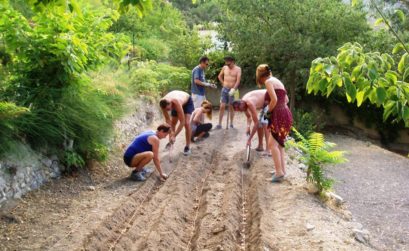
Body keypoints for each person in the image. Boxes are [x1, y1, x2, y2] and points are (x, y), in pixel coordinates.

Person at [256, 64, 293, 183]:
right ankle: (281, 170)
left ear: (261, 76)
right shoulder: (277, 81)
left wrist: (268, 112)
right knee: (279, 144)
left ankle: (279, 173)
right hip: (286, 112)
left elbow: (274, 100)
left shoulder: (268, 82)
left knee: (272, 144)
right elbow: (286, 100)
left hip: (279, 114)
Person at [232, 90, 270, 155]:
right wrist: (248, 127)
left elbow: (256, 124)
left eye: (240, 109)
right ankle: (260, 146)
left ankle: (268, 149)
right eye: (239, 111)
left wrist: (249, 139)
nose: (241, 111)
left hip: (270, 100)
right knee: (260, 124)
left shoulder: (249, 103)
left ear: (241, 103)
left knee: (265, 123)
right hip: (264, 105)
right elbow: (249, 117)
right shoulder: (243, 105)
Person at [159, 90, 194, 155]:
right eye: (167, 110)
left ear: (171, 104)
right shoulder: (162, 104)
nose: (168, 111)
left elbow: (182, 122)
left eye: (169, 109)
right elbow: (168, 120)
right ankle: (171, 143)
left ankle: (187, 147)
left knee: (186, 123)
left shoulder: (176, 102)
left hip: (187, 102)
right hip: (176, 101)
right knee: (173, 123)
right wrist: (171, 132)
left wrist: (174, 135)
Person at [216, 56, 242, 129]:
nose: (227, 65)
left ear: (233, 61)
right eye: (226, 63)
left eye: (229, 63)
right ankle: (219, 124)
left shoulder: (238, 69)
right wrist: (223, 83)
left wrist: (233, 89)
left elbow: (238, 80)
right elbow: (219, 76)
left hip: (233, 90)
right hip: (224, 89)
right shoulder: (224, 68)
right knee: (222, 106)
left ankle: (231, 123)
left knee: (231, 107)